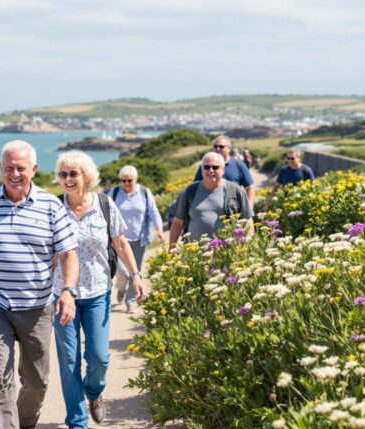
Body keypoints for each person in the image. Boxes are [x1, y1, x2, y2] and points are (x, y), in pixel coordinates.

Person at [0, 140, 79, 429]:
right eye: (8, 168)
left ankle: (24, 424)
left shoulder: (51, 206)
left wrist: (68, 291)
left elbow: (68, 254)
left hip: (37, 306)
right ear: (0, 168)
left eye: (20, 168)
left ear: (33, 169)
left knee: (37, 382)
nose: (14, 174)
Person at [53, 151, 146, 428]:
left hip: (97, 292)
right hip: (63, 296)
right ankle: (77, 421)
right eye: (63, 174)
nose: (68, 179)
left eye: (73, 173)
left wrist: (136, 276)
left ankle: (94, 392)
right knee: (69, 362)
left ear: (86, 176)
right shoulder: (55, 208)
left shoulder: (104, 204)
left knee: (99, 358)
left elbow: (120, 243)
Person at [109, 165, 165, 313]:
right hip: (119, 241)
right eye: (123, 181)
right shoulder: (114, 193)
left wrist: (159, 230)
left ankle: (131, 301)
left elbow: (153, 212)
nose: (126, 184)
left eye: (130, 181)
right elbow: (105, 211)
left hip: (139, 239)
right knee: (122, 271)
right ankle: (121, 288)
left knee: (135, 272)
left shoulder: (144, 192)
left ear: (136, 179)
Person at [170, 152, 254, 247]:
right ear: (202, 170)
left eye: (215, 167)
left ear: (223, 170)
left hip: (228, 253)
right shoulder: (189, 192)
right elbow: (177, 222)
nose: (210, 170)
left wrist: (248, 246)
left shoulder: (236, 191)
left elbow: (247, 220)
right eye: (206, 167)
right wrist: (171, 249)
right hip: (194, 254)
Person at [194, 135, 255, 205]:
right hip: (209, 208)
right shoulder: (205, 166)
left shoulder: (238, 165)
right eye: (215, 146)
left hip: (233, 211)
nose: (217, 148)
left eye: (221, 146)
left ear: (229, 148)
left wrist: (249, 210)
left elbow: (250, 188)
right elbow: (195, 187)